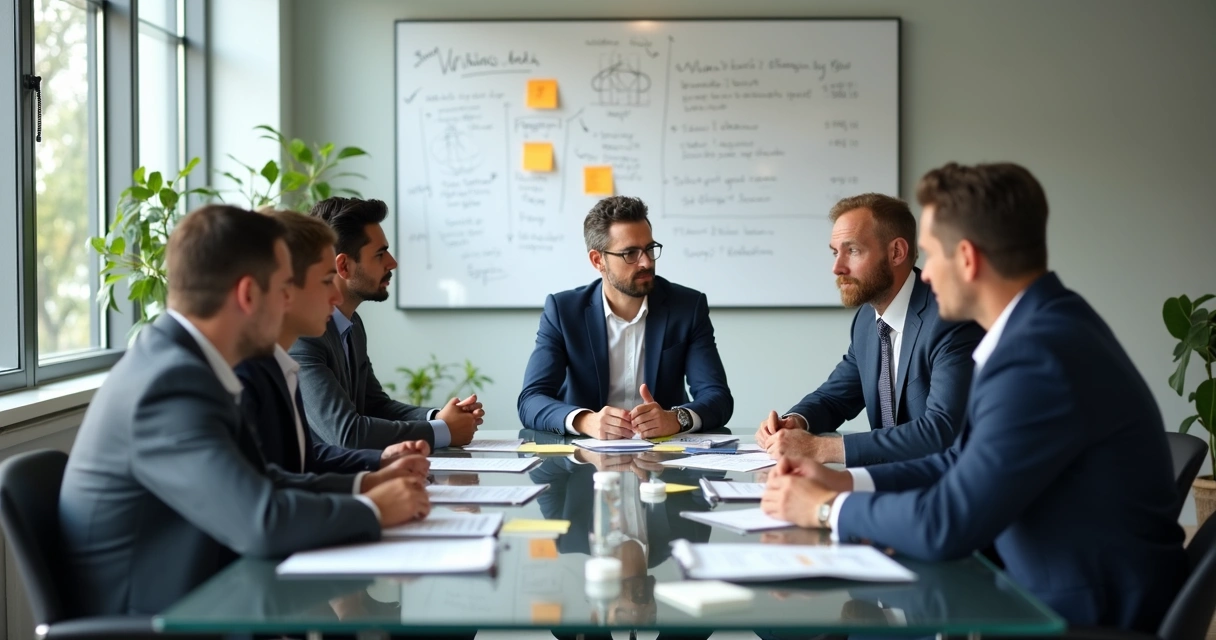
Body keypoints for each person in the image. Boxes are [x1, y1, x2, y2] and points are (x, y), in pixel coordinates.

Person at [761, 162, 1187, 631]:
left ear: (966, 258)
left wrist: (823, 508)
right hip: (1044, 584)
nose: (924, 276)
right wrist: (842, 482)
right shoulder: (1039, 327)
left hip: (1080, 613)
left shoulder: (1037, 355)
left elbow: (947, 522)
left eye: (931, 254)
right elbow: (959, 460)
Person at [59, 205, 431, 616]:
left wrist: (365, 486)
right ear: (249, 295)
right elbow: (262, 520)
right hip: (159, 623)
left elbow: (263, 479)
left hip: (207, 601)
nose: (290, 300)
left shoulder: (188, 364)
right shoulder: (168, 384)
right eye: (283, 288)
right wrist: (375, 509)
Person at [756, 194, 984, 467]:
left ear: (896, 252)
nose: (837, 267)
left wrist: (819, 449)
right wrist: (795, 421)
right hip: (890, 481)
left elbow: (941, 431)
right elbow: (834, 398)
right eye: (834, 251)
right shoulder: (867, 320)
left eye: (852, 250)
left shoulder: (950, 318)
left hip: (946, 489)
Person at [518, 196, 733, 439]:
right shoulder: (563, 311)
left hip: (663, 460)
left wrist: (675, 419)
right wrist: (585, 421)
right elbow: (531, 400)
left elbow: (717, 397)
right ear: (598, 260)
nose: (646, 262)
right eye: (630, 253)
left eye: (650, 249)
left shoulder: (687, 307)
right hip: (584, 462)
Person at [236, 209, 431, 475]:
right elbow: (264, 500)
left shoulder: (273, 362)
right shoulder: (238, 374)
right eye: (327, 280)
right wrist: (373, 499)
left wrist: (378, 464)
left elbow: (300, 457)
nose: (336, 297)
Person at [292, 197, 483, 450]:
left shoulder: (353, 326)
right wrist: (442, 431)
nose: (392, 262)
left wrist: (438, 418)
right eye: (380, 254)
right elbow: (347, 433)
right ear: (344, 266)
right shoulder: (303, 335)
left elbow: (375, 406)